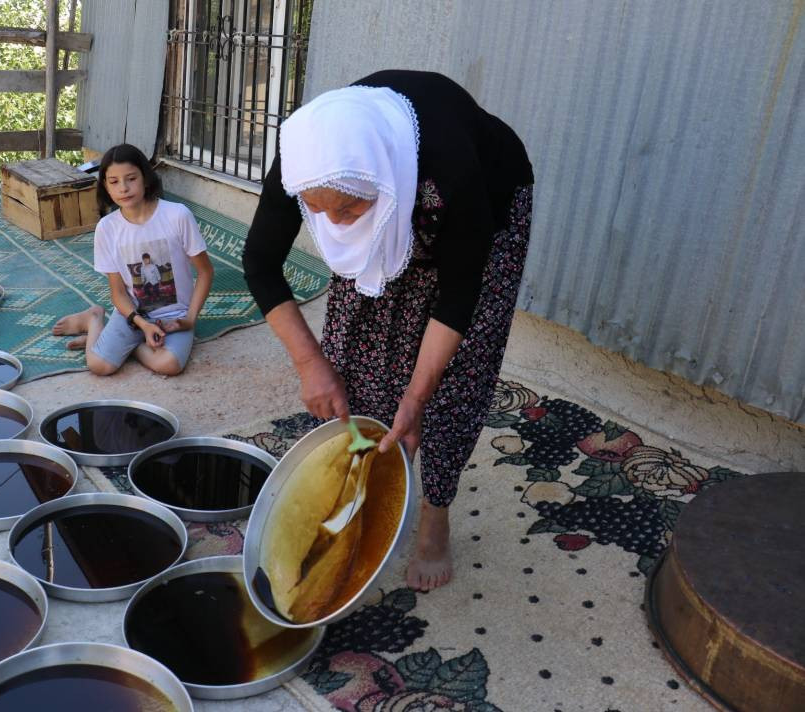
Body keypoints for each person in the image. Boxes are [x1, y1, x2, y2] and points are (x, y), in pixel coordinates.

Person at [242, 70, 534, 592]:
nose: (335, 224)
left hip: (486, 202)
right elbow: (260, 263)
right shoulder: (310, 158)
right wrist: (312, 365)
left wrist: (417, 396)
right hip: (388, 190)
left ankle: (436, 512)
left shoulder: (454, 170)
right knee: (353, 358)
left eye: (349, 211)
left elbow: (459, 297)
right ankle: (363, 487)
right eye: (319, 212)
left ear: (375, 185)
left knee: (453, 381)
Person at [53, 143, 214, 376]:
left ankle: (126, 347)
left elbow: (206, 272)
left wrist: (189, 319)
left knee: (169, 365)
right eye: (114, 181)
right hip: (133, 316)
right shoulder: (107, 228)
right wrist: (143, 324)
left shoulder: (177, 215)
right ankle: (94, 319)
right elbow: (118, 293)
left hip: (175, 317)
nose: (124, 188)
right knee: (100, 366)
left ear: (146, 178)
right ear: (106, 187)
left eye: (131, 178)